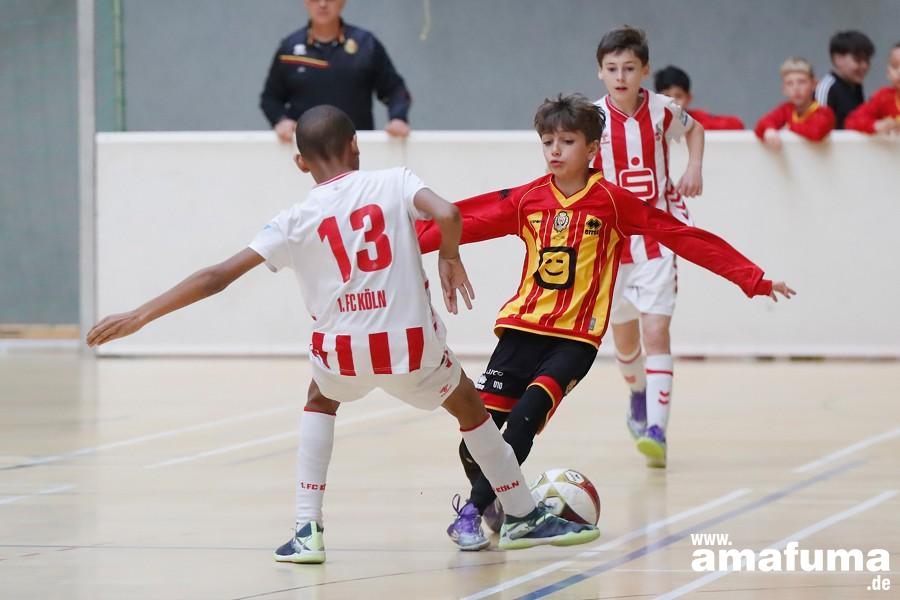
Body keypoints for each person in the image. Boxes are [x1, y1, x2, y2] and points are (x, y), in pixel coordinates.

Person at [85, 105, 600, 562]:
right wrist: (449, 255)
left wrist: (140, 315)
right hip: (411, 349)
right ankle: (522, 514)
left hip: (341, 356)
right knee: (470, 407)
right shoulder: (394, 181)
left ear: (300, 162)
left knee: (320, 396)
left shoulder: (293, 219)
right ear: (356, 145)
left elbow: (216, 277)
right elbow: (447, 213)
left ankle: (306, 530)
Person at [418, 94, 794, 550]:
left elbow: (682, 236)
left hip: (574, 340)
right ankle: (507, 506)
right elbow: (466, 218)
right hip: (521, 330)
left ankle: (472, 514)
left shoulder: (613, 203)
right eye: (547, 142)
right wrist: (395, 245)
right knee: (473, 440)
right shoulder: (527, 199)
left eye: (567, 141)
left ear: (593, 148)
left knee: (524, 420)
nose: (555, 150)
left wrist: (751, 278)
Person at [591, 26, 704, 469]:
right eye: (612, 68)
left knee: (656, 332)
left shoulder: (663, 110)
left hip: (657, 237)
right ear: (600, 72)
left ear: (645, 70)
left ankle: (657, 430)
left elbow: (696, 131)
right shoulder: (591, 118)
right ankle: (638, 393)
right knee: (624, 339)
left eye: (629, 68)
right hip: (610, 245)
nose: (621, 76)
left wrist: (694, 167)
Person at [260, 0, 412, 143]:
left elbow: (395, 90)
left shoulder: (366, 44)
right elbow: (270, 98)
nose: (322, 4)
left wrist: (398, 118)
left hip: (355, 149)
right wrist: (281, 120)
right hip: (305, 150)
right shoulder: (289, 48)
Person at [755, 58, 835, 149]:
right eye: (789, 83)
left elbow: (816, 132)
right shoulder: (785, 109)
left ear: (814, 84)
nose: (796, 88)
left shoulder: (824, 112)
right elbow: (762, 124)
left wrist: (788, 127)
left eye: (802, 82)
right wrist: (769, 129)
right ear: (784, 89)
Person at [815, 30, 875, 129]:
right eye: (858, 60)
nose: (864, 66)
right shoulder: (826, 87)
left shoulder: (856, 87)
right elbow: (818, 127)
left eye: (867, 60)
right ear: (838, 59)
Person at [654, 65, 745, 130]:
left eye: (678, 96)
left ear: (688, 99)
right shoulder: (651, 120)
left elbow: (737, 124)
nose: (672, 101)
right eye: (666, 96)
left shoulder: (697, 119)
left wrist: (693, 129)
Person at [846, 42, 900, 135]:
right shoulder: (883, 97)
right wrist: (877, 125)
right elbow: (852, 120)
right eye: (895, 66)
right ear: (888, 72)